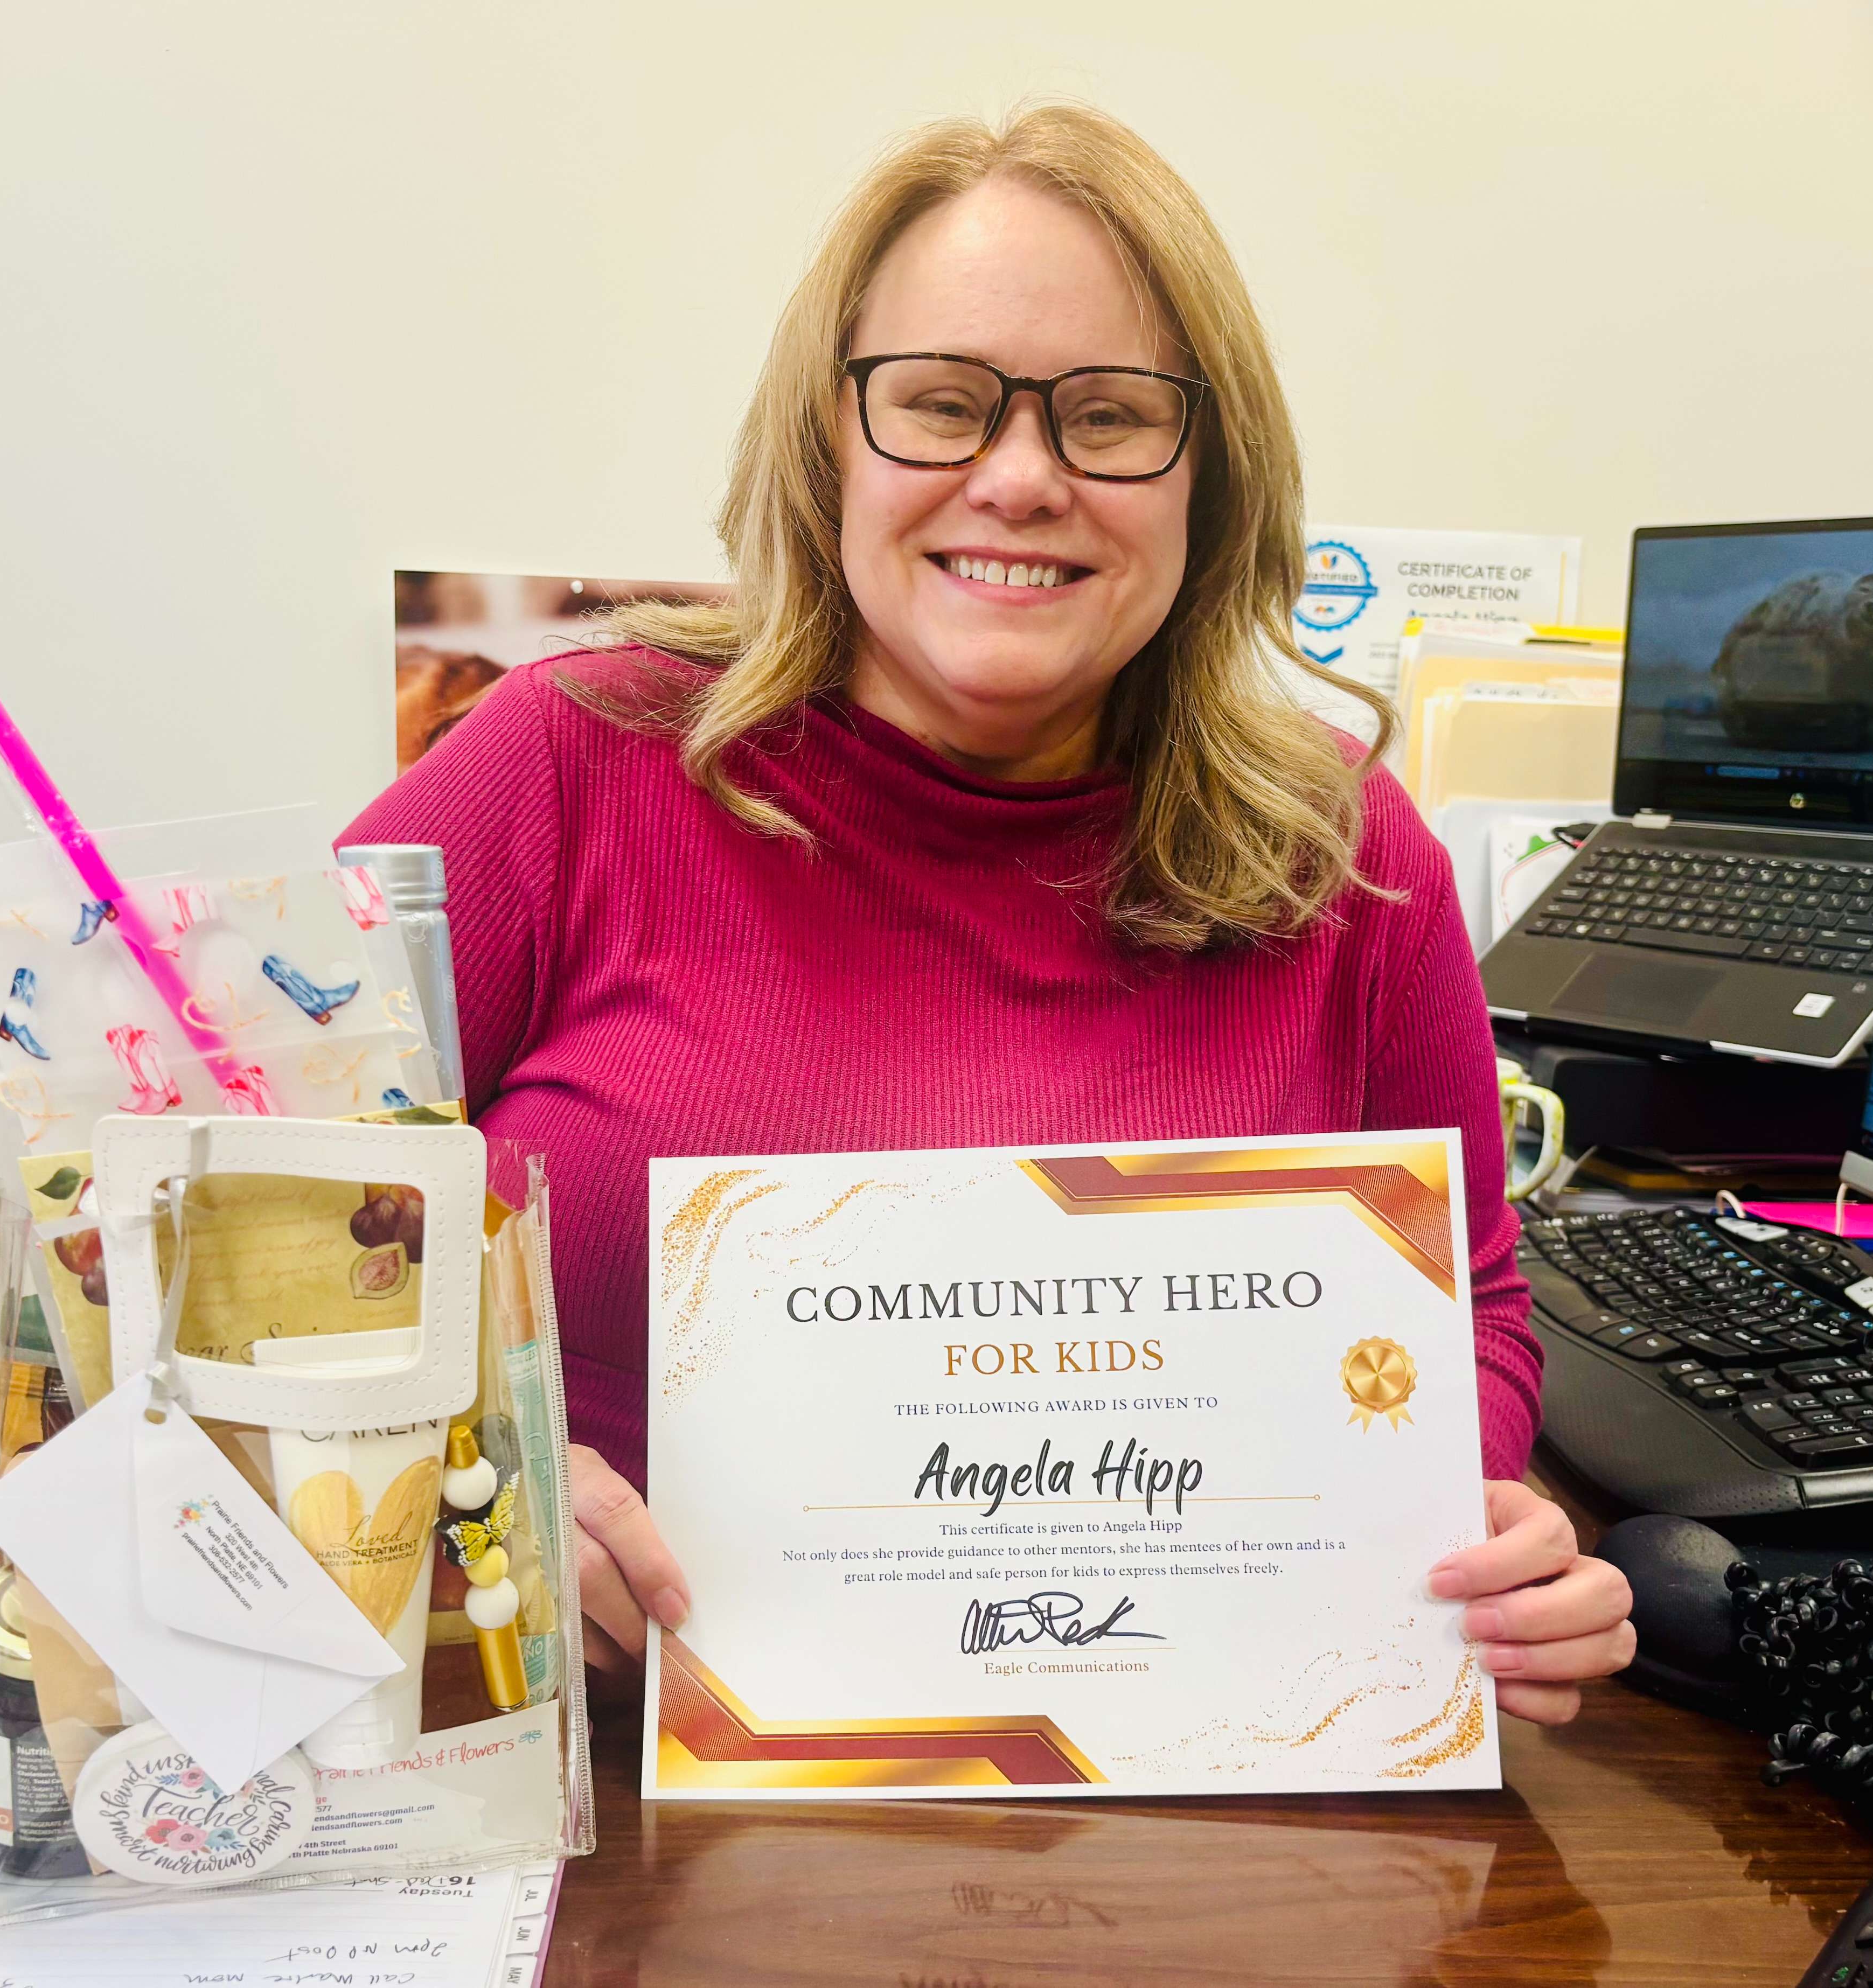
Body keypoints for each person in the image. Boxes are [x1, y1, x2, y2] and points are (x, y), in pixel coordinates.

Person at [342, 104, 1635, 1725]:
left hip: (1185, 1798)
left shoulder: (1341, 851)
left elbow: (1477, 1302)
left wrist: (1462, 1532)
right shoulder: (564, 759)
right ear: (826, 444)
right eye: (941, 405)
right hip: (574, 1763)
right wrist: (482, 1482)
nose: (1018, 480)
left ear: (1206, 479)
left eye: (1107, 417)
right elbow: (220, 1232)